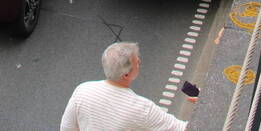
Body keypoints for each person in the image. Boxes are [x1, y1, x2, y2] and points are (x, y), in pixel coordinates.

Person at [61, 42, 189, 131]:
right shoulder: (141, 108)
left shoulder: (82, 90)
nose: (139, 61)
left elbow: (67, 128)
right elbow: (181, 128)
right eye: (137, 62)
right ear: (126, 75)